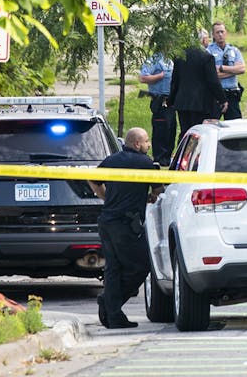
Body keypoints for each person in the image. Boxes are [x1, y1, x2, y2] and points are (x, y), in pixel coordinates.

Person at [88, 128, 158, 329]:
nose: (149, 144)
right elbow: (158, 190)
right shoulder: (147, 164)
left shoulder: (111, 160)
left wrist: (106, 197)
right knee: (141, 267)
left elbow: (92, 180)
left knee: (113, 268)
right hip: (127, 225)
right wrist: (150, 197)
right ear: (137, 144)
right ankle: (111, 303)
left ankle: (114, 315)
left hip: (107, 222)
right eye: (146, 141)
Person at [169, 39, 227, 140]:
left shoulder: (180, 57)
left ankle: (183, 154)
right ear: (204, 40)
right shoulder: (207, 57)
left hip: (183, 102)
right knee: (200, 133)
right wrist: (222, 99)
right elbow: (212, 81)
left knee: (185, 132)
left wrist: (171, 100)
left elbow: (175, 81)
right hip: (201, 103)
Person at [138, 51, 176, 166]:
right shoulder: (154, 60)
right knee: (161, 131)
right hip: (159, 101)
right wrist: (160, 76)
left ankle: (167, 158)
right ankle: (159, 159)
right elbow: (143, 78)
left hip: (171, 101)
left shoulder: (172, 60)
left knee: (171, 130)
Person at [208, 21, 247, 119]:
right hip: (216, 95)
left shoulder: (234, 50)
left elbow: (242, 69)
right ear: (213, 35)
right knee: (211, 125)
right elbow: (211, 75)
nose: (220, 34)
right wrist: (233, 71)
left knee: (235, 126)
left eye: (222, 31)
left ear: (226, 33)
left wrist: (222, 68)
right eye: (217, 32)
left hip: (232, 94)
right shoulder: (208, 52)